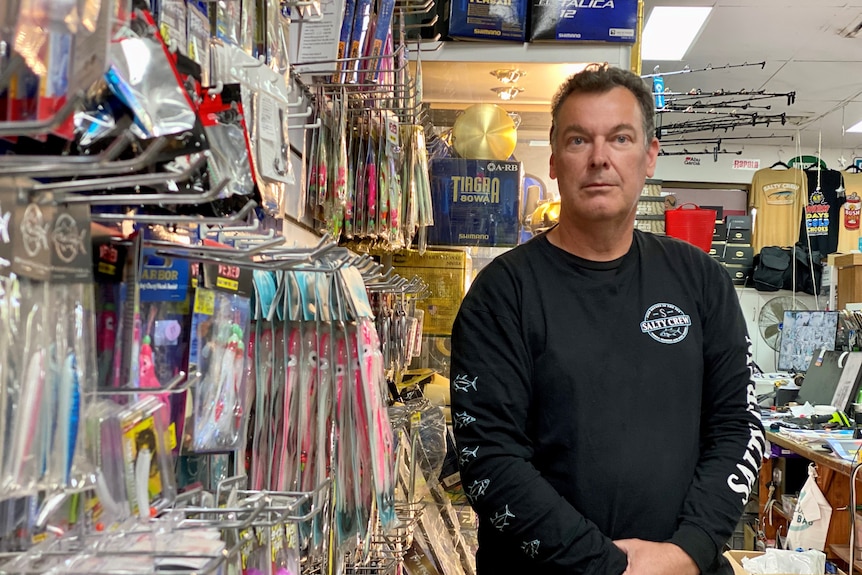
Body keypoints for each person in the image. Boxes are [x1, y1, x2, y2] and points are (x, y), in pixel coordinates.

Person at [449, 64, 765, 575]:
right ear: (554, 160)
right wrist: (611, 567)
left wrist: (690, 549)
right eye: (579, 140)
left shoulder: (700, 280)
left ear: (649, 156)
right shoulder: (501, 295)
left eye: (620, 138)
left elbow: (739, 426)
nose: (600, 158)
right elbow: (490, 459)